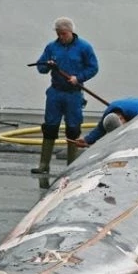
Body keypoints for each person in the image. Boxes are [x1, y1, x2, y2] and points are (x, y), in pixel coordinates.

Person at [32, 17, 99, 173]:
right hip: (55, 92)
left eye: (63, 34)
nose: (61, 37)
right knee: (49, 127)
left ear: (70, 31)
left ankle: (71, 167)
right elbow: (41, 68)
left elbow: (93, 67)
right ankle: (44, 165)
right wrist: (47, 64)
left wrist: (79, 78)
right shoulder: (51, 47)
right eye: (58, 34)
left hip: (73, 94)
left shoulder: (84, 47)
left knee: (73, 128)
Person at [73, 97, 138, 148]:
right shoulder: (109, 113)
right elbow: (100, 129)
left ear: (121, 118)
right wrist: (87, 140)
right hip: (129, 104)